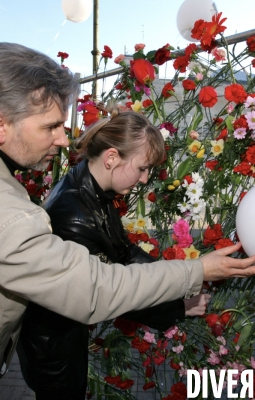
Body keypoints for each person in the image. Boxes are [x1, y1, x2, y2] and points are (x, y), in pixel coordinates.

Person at [0, 42, 255, 400]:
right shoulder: (3, 216)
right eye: (50, 126)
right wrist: (198, 270)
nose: (64, 139)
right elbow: (94, 291)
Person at [16, 110, 211, 398]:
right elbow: (111, 292)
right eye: (142, 168)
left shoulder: (93, 186)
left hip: (64, 332)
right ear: (111, 158)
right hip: (54, 347)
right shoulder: (74, 216)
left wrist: (175, 282)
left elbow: (123, 252)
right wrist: (181, 306)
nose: (144, 180)